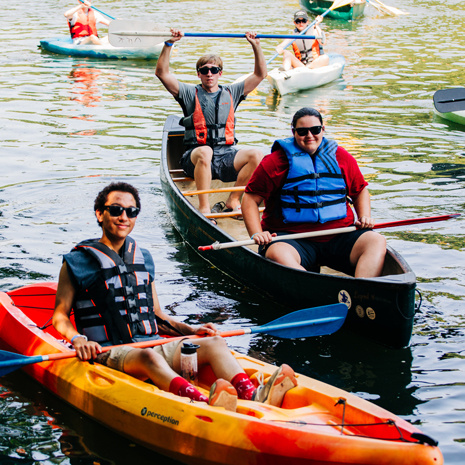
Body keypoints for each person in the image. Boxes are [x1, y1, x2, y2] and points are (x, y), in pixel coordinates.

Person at [52, 182, 297, 411]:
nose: (123, 217)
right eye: (116, 210)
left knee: (214, 342)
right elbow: (60, 317)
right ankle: (201, 402)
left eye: (131, 211)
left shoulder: (143, 257)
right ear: (100, 214)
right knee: (148, 356)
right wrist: (78, 340)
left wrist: (193, 329)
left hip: (151, 344)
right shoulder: (77, 261)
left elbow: (158, 317)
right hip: (108, 352)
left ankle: (253, 396)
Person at [241, 108, 387, 278]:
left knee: (376, 241)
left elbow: (360, 191)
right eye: (302, 131)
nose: (309, 135)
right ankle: (316, 290)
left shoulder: (342, 157)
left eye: (315, 130)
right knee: (277, 254)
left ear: (323, 129)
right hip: (292, 239)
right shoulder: (274, 163)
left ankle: (362, 292)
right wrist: (257, 233)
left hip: (339, 236)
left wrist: (364, 217)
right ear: (293, 132)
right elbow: (250, 199)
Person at [155, 30, 267, 220]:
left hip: (226, 155)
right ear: (198, 74)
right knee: (205, 151)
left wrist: (255, 45)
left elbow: (260, 74)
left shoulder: (233, 92)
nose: (209, 74)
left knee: (257, 155)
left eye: (214, 70)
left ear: (220, 73)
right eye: (204, 70)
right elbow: (162, 73)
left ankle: (233, 200)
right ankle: (204, 207)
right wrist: (168, 44)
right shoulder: (189, 93)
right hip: (195, 157)